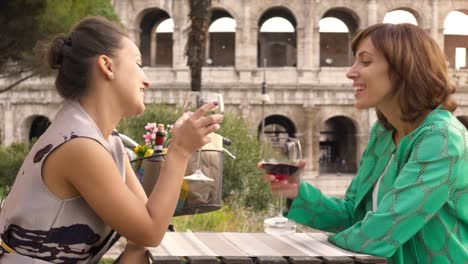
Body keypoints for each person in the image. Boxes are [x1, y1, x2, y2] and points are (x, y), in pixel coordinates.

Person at [0, 16, 223, 263]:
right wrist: (179, 151)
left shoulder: (106, 140)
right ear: (107, 66)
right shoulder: (79, 146)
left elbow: (147, 225)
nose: (147, 80)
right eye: (138, 64)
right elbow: (150, 232)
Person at [262, 23, 468, 263]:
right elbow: (354, 216)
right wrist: (298, 194)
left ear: (404, 70)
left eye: (365, 61)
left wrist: (314, 250)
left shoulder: (441, 138)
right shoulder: (383, 133)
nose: (351, 72)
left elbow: (382, 233)